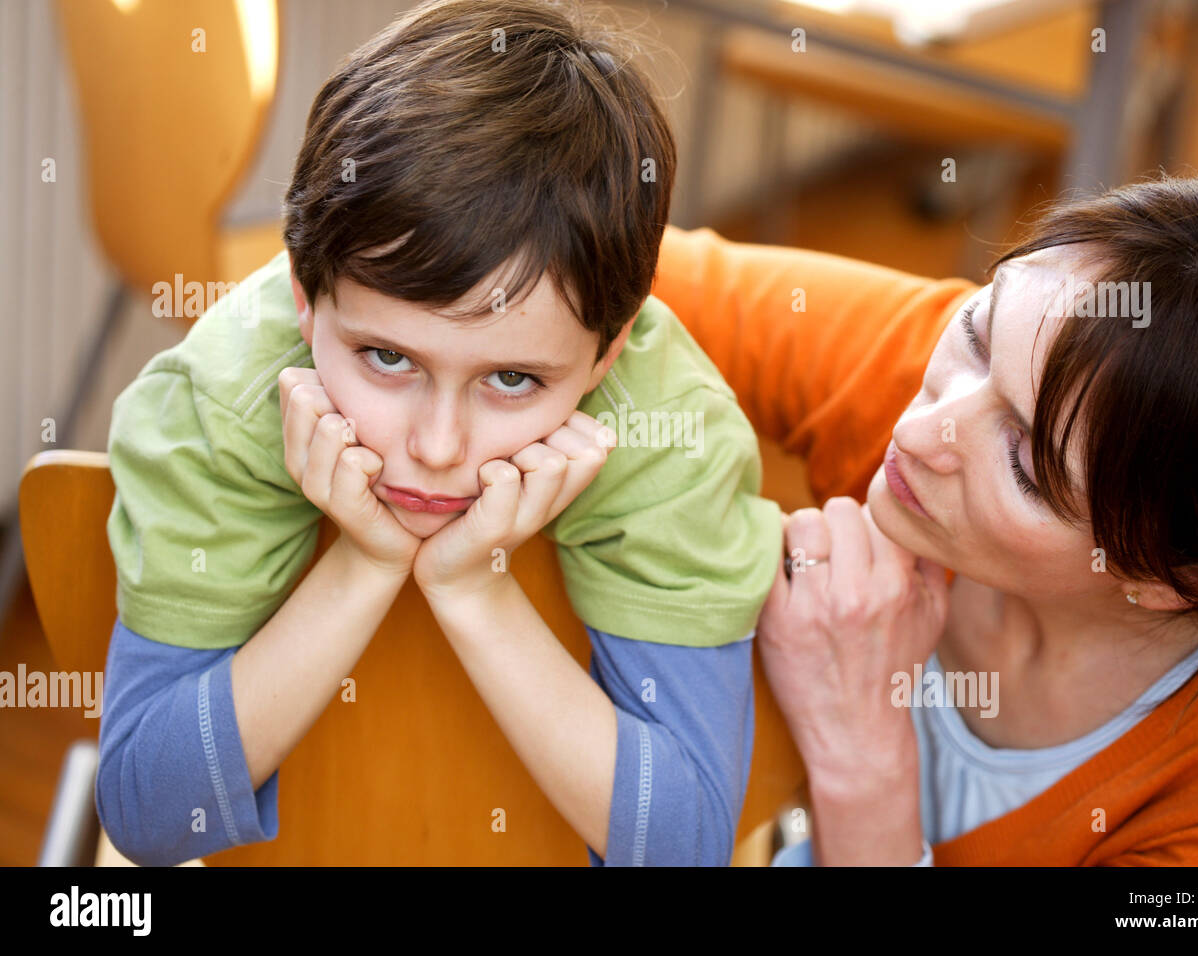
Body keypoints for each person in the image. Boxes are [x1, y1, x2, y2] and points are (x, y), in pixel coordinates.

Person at [96, 0, 781, 867]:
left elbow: (683, 849)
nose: (438, 446)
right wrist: (363, 564)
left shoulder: (672, 440)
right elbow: (145, 813)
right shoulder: (221, 409)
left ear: (611, 351)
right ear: (304, 300)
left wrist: (476, 591)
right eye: (386, 357)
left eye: (512, 379)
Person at [649, 174, 1198, 864]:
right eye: (975, 333)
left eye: (1023, 465)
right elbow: (588, 262)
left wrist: (862, 760)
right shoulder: (993, 370)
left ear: (1185, 584)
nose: (922, 430)